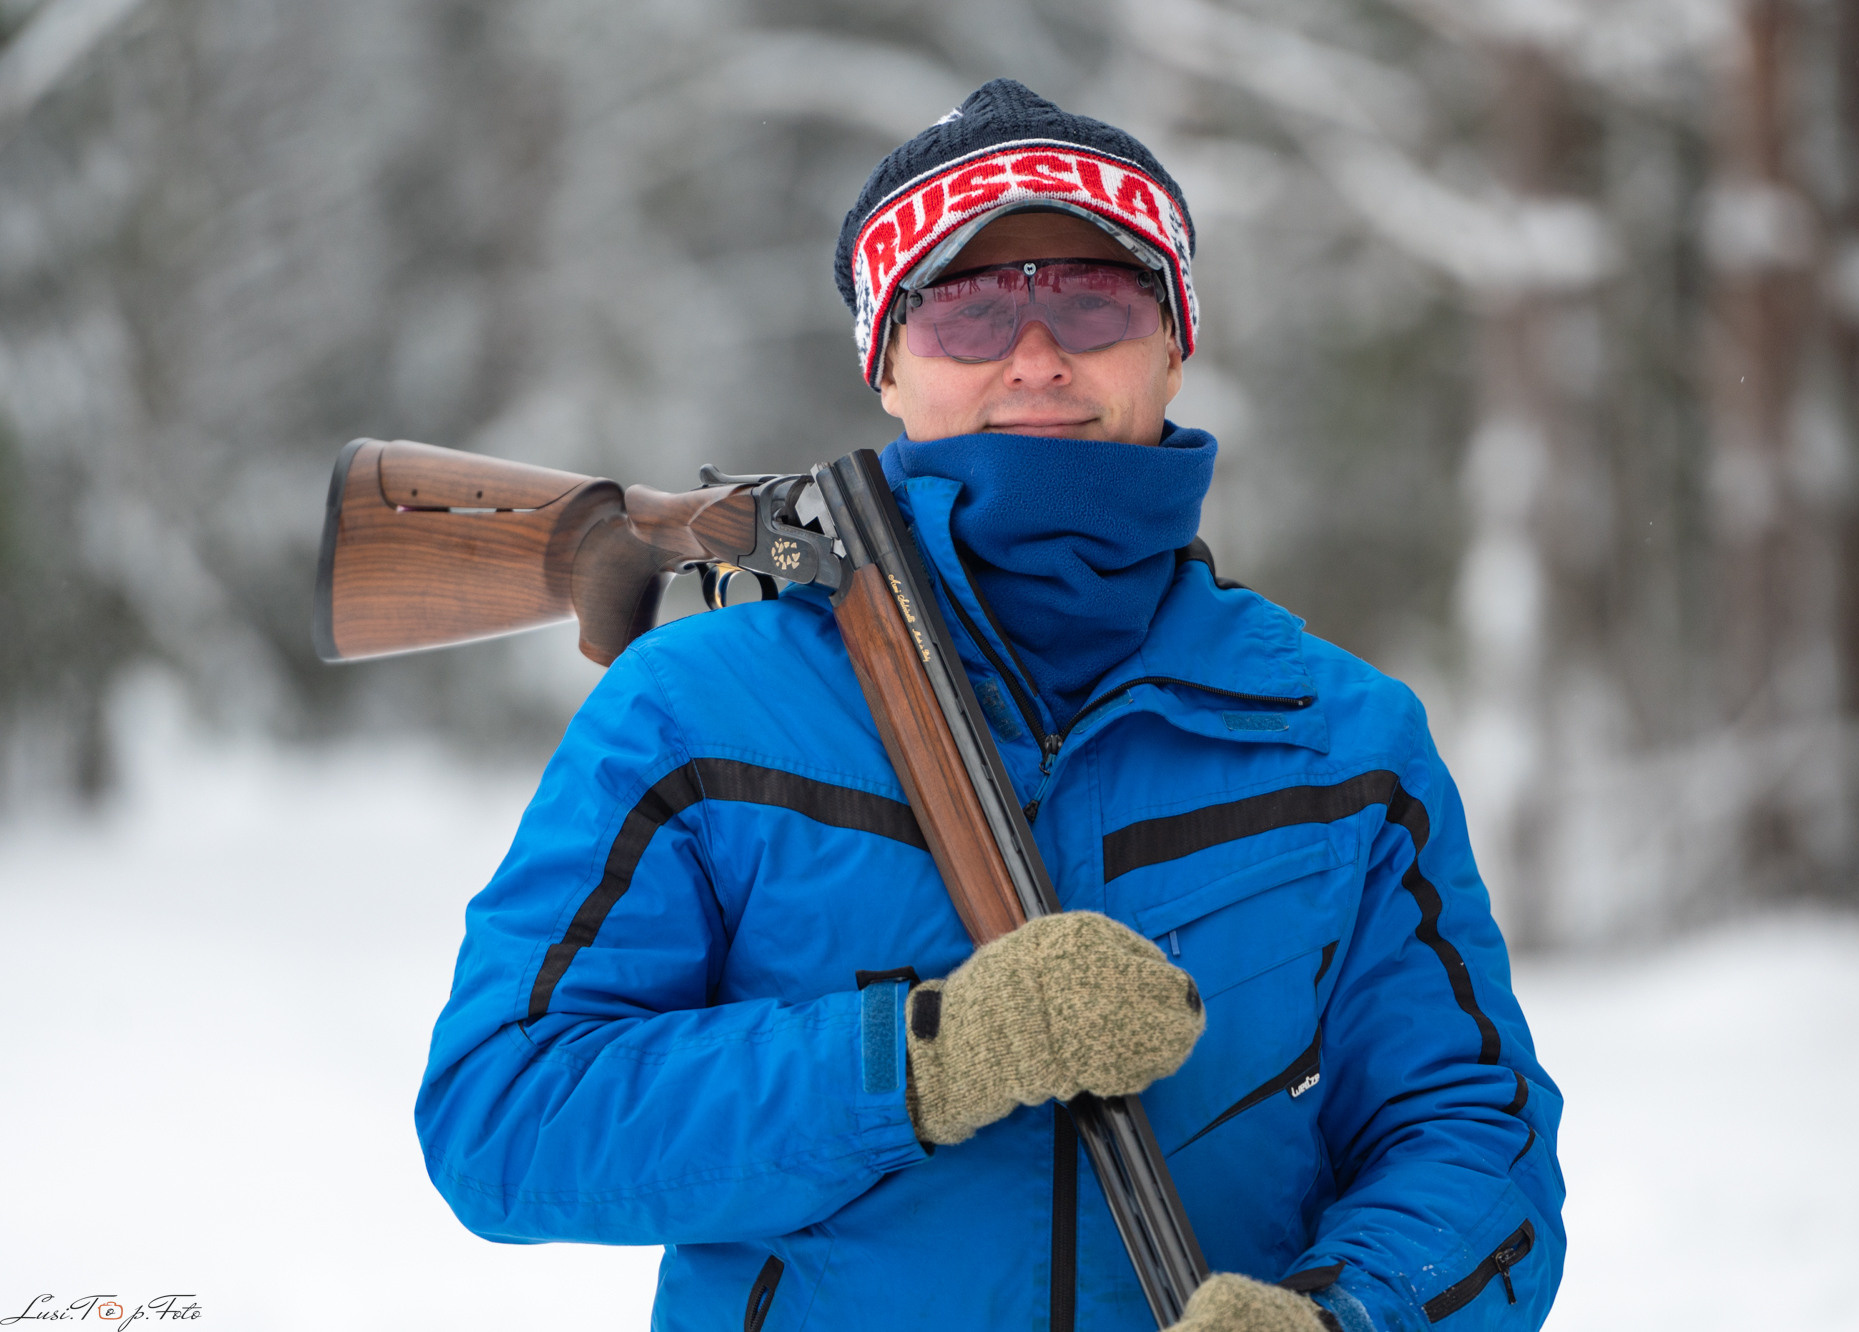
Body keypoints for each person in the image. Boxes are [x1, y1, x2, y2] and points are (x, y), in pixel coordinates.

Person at [416, 79, 1564, 1332]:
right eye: (963, 309)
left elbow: (1468, 1136)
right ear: (886, 367)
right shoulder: (691, 714)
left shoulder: (1341, 738)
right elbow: (505, 1116)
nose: (1035, 353)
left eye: (1094, 296)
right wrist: (920, 1059)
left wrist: (1347, 1320)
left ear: (1172, 343)